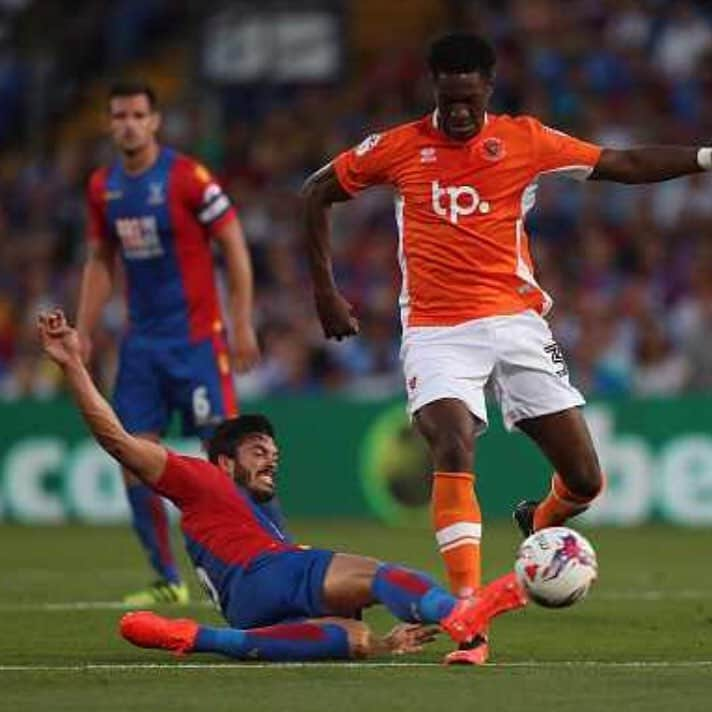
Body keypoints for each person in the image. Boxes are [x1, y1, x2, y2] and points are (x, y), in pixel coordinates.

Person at [300, 32, 712, 664]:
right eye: (449, 99)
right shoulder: (398, 146)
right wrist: (326, 292)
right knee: (452, 438)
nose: (460, 113)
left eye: (469, 99)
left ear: (488, 88)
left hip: (518, 323)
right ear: (433, 88)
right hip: (437, 330)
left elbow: (623, 165)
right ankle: (470, 619)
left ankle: (540, 523)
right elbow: (315, 193)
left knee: (585, 479)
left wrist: (704, 157)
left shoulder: (526, 139)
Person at [37, 309, 527, 662]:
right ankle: (458, 612)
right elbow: (120, 442)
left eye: (274, 453)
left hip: (245, 609)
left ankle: (199, 637)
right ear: (224, 462)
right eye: (257, 450)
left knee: (357, 638)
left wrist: (385, 643)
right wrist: (74, 365)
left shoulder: (254, 516)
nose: (271, 459)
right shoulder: (202, 478)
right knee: (380, 575)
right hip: (265, 572)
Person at [76, 82, 261, 607]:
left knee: (228, 455)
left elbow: (234, 244)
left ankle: (267, 557)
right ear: (109, 123)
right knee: (132, 457)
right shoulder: (103, 188)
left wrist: (241, 322)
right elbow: (98, 260)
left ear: (155, 121)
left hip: (198, 343)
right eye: (119, 115)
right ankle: (167, 578)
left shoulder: (187, 178)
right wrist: (84, 330)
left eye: (138, 114)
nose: (129, 124)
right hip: (141, 348)